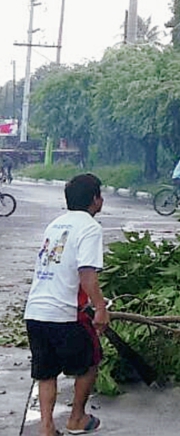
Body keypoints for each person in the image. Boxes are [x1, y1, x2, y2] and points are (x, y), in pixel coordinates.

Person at [25, 173, 108, 436]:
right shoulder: (90, 227)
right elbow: (86, 273)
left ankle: (46, 427)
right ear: (96, 199)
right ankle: (76, 419)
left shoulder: (55, 225)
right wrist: (101, 309)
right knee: (91, 361)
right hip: (64, 313)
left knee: (46, 371)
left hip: (35, 311)